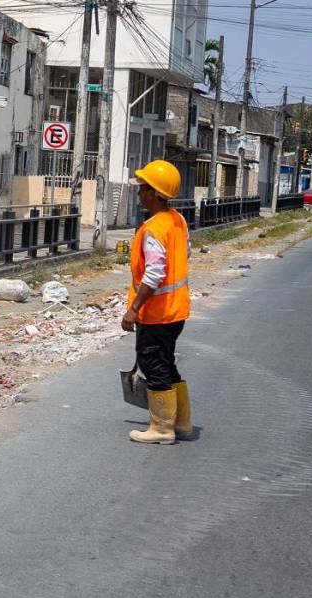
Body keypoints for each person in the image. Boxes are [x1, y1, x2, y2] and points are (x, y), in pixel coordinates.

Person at [123, 159, 193, 444]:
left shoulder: (153, 229)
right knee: (167, 363)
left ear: (154, 192)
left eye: (143, 188)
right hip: (177, 310)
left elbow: (154, 273)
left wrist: (133, 309)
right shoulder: (177, 220)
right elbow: (184, 255)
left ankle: (162, 428)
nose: (140, 193)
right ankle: (182, 422)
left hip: (157, 313)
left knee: (154, 364)